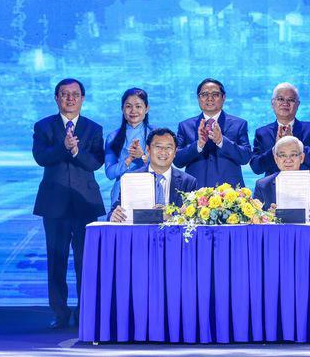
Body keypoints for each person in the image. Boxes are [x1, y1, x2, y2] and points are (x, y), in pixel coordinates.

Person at [32, 78, 105, 329]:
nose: (70, 99)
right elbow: (41, 158)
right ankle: (60, 312)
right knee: (57, 259)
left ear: (82, 99)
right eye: (65, 94)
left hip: (85, 204)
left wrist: (75, 152)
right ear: (56, 98)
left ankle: (85, 311)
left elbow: (96, 162)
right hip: (54, 204)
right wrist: (63, 147)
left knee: (86, 260)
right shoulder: (43, 127)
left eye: (75, 94)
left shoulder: (93, 129)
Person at [174, 78, 252, 187]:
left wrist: (221, 141)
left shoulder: (239, 124)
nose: (209, 98)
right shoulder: (185, 126)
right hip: (196, 193)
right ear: (198, 98)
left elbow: (245, 157)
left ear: (223, 98)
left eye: (215, 94)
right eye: (204, 94)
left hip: (230, 195)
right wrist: (198, 144)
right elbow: (177, 160)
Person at [109, 128, 198, 222]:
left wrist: (170, 216)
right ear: (148, 149)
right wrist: (113, 216)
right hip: (140, 234)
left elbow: (193, 217)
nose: (163, 152)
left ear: (175, 152)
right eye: (158, 147)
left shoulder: (188, 181)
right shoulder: (131, 178)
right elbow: (115, 211)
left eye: (168, 147)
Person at [250, 82, 310, 176]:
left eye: (291, 100)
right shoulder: (262, 133)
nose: (285, 103)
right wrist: (276, 148)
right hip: (272, 187)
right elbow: (256, 167)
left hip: (304, 186)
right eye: (280, 99)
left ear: (298, 104)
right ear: (273, 103)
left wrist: (296, 144)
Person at [253, 136, 310, 221]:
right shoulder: (263, 185)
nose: (288, 160)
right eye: (282, 155)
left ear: (302, 158)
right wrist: (266, 216)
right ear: (276, 159)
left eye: (293, 155)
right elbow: (253, 218)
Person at [104, 88, 153, 205]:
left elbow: (164, 167)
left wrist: (143, 157)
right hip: (121, 193)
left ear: (147, 108)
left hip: (150, 190)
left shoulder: (156, 133)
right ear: (122, 109)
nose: (133, 111)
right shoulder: (113, 137)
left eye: (138, 106)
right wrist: (128, 160)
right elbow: (110, 173)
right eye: (128, 106)